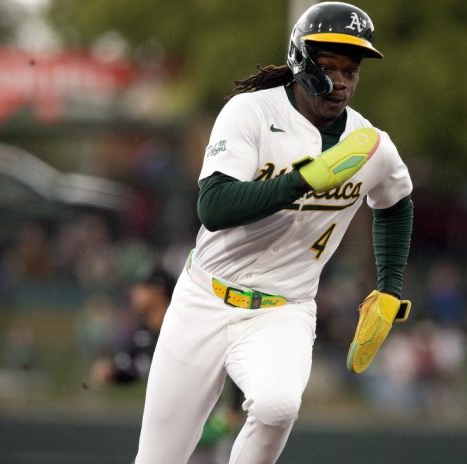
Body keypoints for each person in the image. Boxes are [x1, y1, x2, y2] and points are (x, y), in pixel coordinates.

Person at [134, 2, 414, 463]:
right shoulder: (249, 112)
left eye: (351, 70)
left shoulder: (369, 145)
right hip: (204, 299)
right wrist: (305, 179)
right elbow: (213, 207)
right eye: (329, 67)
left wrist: (389, 287)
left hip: (284, 309)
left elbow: (397, 202)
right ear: (301, 62)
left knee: (277, 406)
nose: (341, 81)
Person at [90, 269, 241, 463]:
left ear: (157, 291)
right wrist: (113, 373)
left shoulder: (189, 325)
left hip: (205, 421)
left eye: (141, 288)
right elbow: (133, 371)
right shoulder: (142, 334)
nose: (134, 293)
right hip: (166, 421)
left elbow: (231, 358)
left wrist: (234, 408)